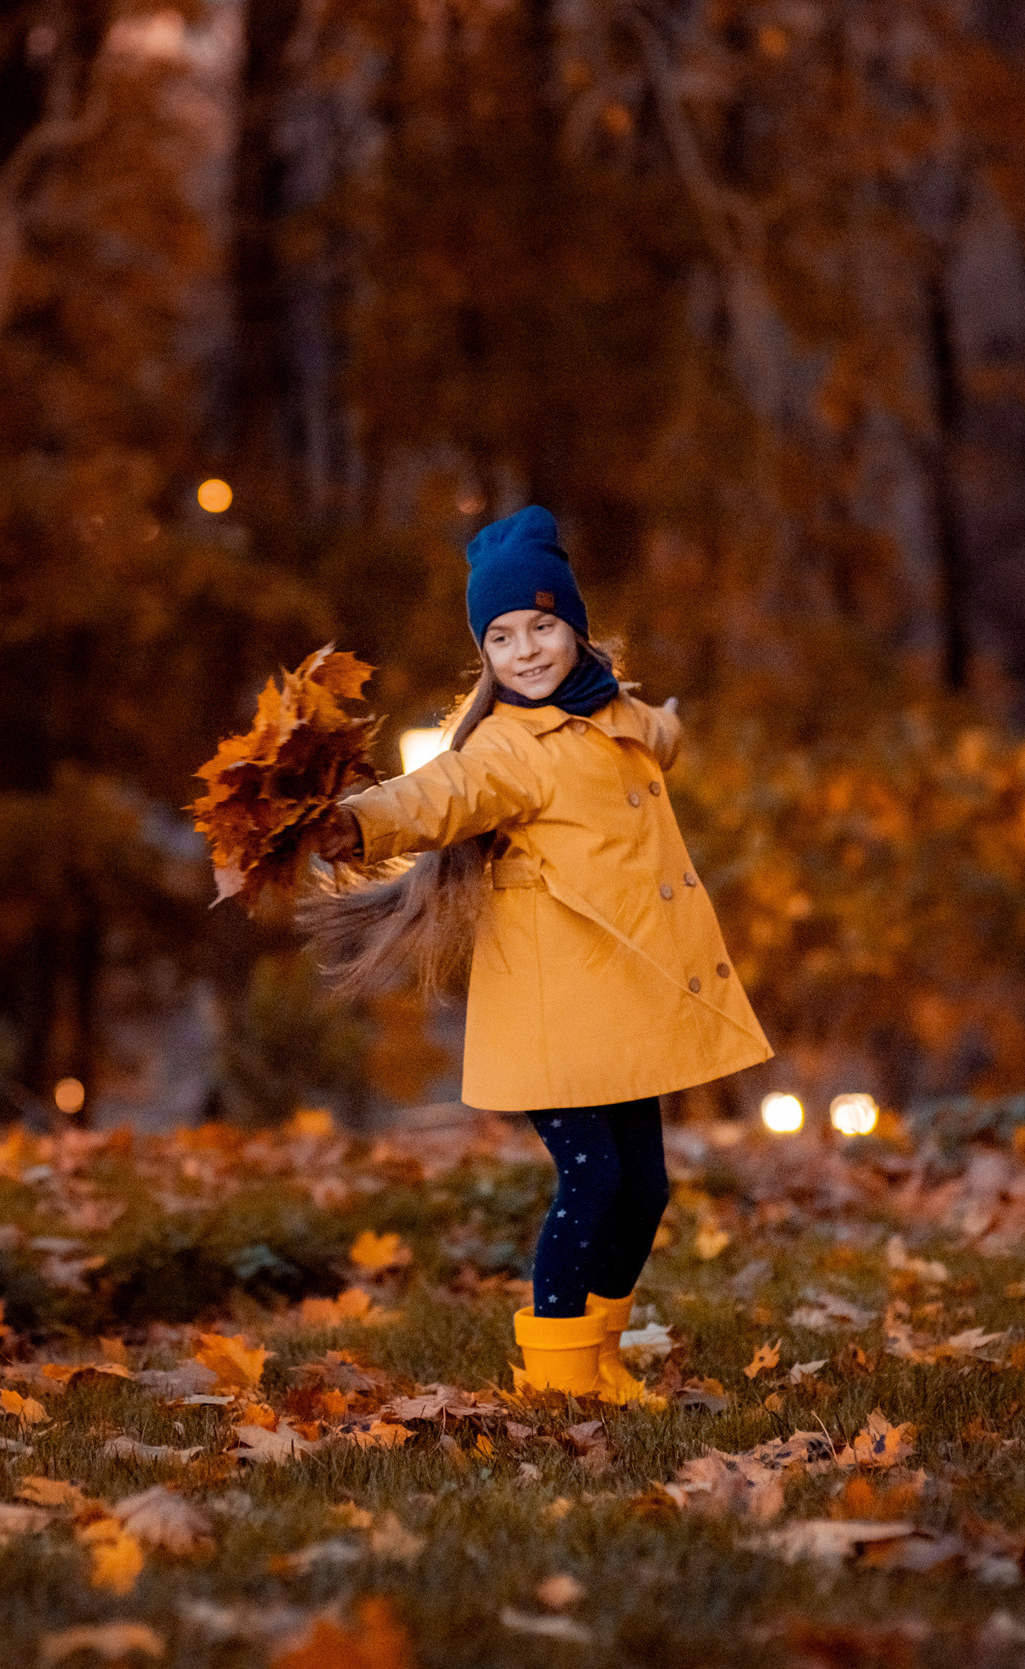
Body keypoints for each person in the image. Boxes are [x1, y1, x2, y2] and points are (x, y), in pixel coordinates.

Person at [304, 505, 772, 1403]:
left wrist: (670, 721)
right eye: (503, 635)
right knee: (593, 1175)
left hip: (621, 1004)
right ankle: (555, 1380)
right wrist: (355, 823)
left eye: (543, 626)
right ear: (485, 652)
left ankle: (599, 1354)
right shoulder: (506, 750)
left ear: (576, 629)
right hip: (555, 1014)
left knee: (647, 1188)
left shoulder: (613, 714)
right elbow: (438, 795)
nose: (525, 650)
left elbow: (656, 735)